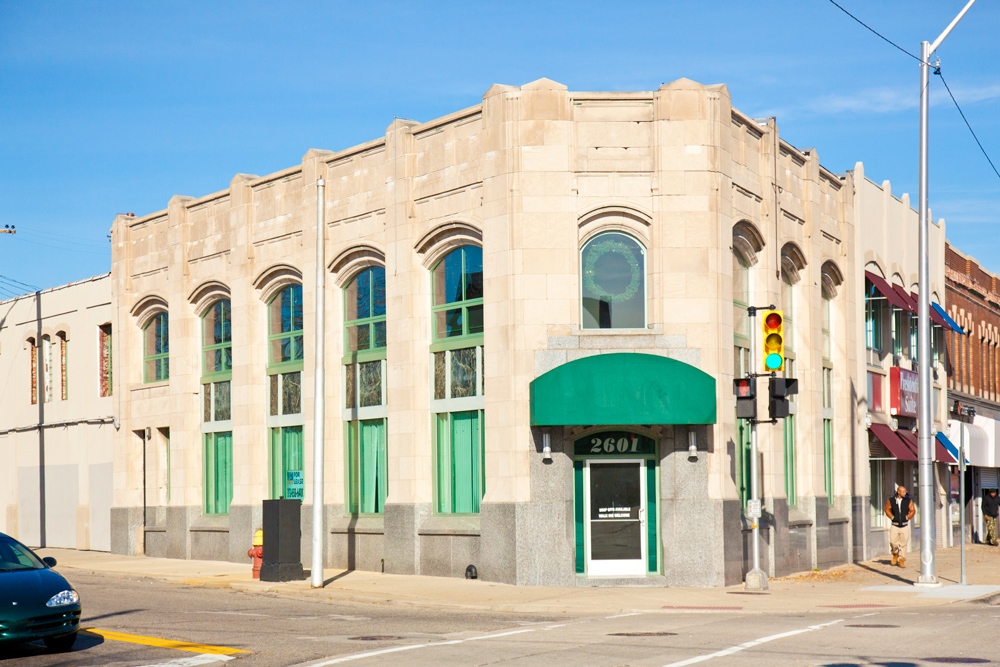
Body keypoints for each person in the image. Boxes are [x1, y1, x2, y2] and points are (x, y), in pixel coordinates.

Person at [884, 485, 915, 567]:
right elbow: (887, 509)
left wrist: (907, 517)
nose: (905, 493)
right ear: (898, 492)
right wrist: (892, 517)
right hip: (895, 525)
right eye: (903, 492)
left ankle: (902, 559)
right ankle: (895, 554)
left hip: (904, 526)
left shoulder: (908, 500)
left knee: (903, 544)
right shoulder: (892, 500)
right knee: (892, 542)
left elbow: (912, 510)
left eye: (905, 492)